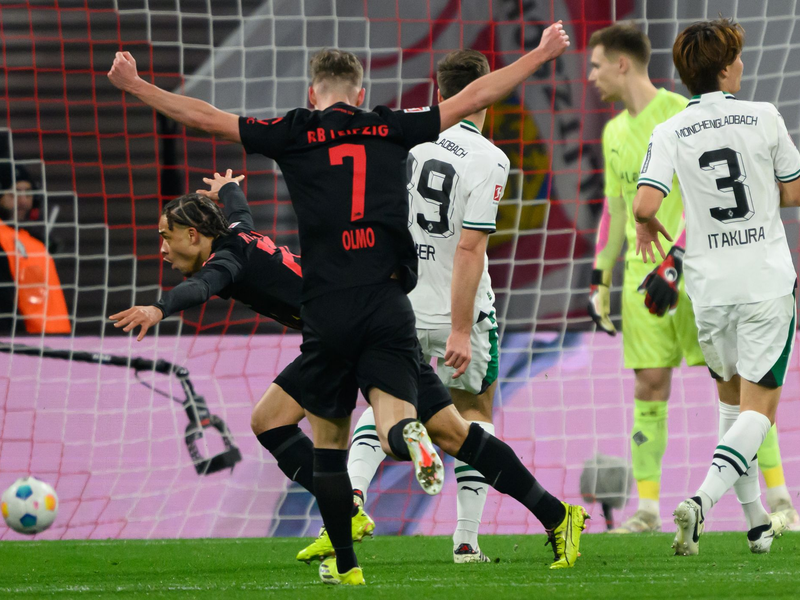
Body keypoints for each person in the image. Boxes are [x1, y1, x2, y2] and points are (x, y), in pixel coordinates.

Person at [108, 22, 571, 585]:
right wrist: (542, 53)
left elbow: (204, 117)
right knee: (436, 428)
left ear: (312, 94)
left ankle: (349, 566)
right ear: (358, 91)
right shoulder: (387, 125)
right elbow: (475, 95)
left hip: (327, 311)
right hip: (386, 302)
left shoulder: (291, 131)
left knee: (328, 444)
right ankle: (453, 465)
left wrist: (136, 86)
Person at [111, 171, 588, 573]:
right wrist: (230, 187)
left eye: (164, 236)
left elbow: (203, 286)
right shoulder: (237, 233)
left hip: (344, 332)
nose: (161, 248)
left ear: (193, 235)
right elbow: (240, 212)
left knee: (374, 430)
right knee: (444, 432)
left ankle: (352, 508)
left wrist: (159, 308)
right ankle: (555, 514)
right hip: (360, 321)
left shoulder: (228, 258)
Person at [587, 23, 797, 533]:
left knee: (731, 404)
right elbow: (792, 195)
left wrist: (656, 234)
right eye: (739, 59)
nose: (743, 65)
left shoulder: (671, 125)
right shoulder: (764, 115)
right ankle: (699, 501)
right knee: (757, 403)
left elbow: (640, 206)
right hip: (760, 282)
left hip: (703, 287)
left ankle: (758, 521)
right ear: (725, 67)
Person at [344, 49, 509, 563]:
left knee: (382, 404)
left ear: (438, 93)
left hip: (400, 307)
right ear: (485, 94)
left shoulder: (405, 141)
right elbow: (470, 248)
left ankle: (349, 498)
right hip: (460, 311)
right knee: (474, 412)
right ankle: (465, 540)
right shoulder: (491, 159)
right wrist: (460, 328)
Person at [0, 163, 70, 335]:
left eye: (28, 192)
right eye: (14, 192)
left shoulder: (30, 240)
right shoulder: (4, 238)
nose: (23, 201)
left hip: (55, 340)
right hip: (28, 347)